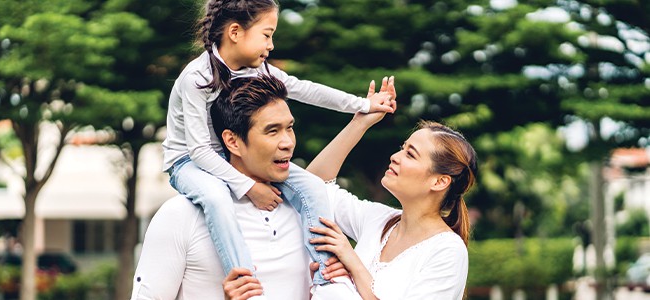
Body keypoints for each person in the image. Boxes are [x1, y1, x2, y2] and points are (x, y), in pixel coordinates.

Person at [161, 0, 396, 295]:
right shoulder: (197, 79)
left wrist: (362, 104)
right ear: (235, 32)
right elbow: (199, 151)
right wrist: (250, 187)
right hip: (189, 162)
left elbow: (306, 88)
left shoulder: (258, 70)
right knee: (217, 198)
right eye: (266, 34)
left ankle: (326, 280)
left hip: (239, 155)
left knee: (312, 186)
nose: (271, 45)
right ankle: (247, 284)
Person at [133, 74, 392, 299]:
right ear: (232, 142)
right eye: (272, 131)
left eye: (289, 128)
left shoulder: (308, 212)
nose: (288, 142)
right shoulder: (180, 216)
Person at [303, 109, 478, 299]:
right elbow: (313, 187)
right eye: (402, 148)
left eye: (410, 154)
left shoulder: (447, 251)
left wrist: (353, 265)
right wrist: (359, 124)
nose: (395, 156)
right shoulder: (377, 219)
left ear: (439, 182)